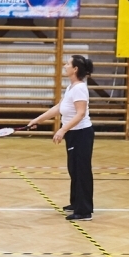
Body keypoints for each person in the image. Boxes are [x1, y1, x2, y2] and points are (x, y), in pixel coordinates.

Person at [28, 55, 94, 221]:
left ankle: (84, 211)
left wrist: (62, 130)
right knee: (74, 169)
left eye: (67, 64)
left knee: (81, 171)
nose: (65, 66)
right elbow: (59, 107)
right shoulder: (71, 87)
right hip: (74, 134)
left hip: (81, 134)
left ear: (75, 69)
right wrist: (38, 120)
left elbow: (81, 113)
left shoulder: (80, 88)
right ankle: (77, 203)